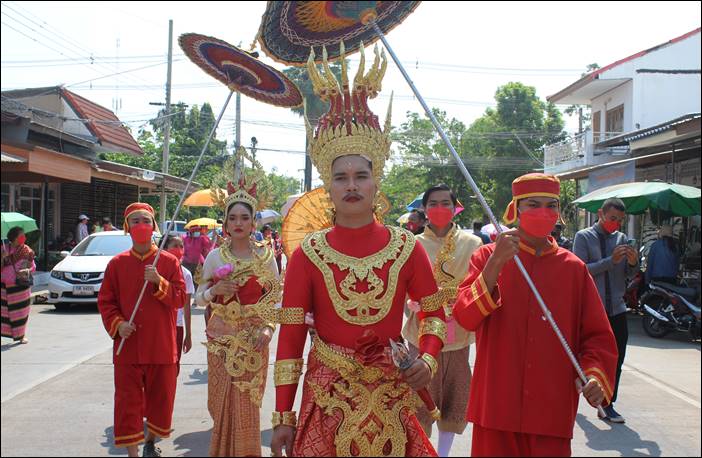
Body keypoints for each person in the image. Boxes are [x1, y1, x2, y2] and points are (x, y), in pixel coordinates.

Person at [270, 44, 446, 457]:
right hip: (328, 394)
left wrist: (429, 360)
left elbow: (435, 313)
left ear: (375, 182)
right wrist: (282, 416)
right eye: (341, 177)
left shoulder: (405, 247)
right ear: (328, 186)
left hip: (392, 393)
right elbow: (291, 338)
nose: (351, 185)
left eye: (361, 176)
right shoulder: (308, 254)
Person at [454, 173, 618, 457]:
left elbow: (598, 336)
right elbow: (465, 317)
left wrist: (594, 376)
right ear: (515, 209)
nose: (543, 212)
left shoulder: (573, 268)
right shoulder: (487, 258)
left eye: (550, 205)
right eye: (533, 204)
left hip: (551, 409)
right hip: (496, 408)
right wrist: (495, 264)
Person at [195, 177, 280, 456]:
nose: (239, 223)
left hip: (253, 340)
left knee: (247, 402)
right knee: (220, 403)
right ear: (226, 223)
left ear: (254, 222)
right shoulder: (215, 257)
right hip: (221, 337)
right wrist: (215, 290)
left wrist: (268, 329)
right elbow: (198, 297)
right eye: (233, 218)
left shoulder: (266, 257)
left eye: (245, 217)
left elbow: (274, 298)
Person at [97, 203, 186, 457]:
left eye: (145, 220)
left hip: (160, 344)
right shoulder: (117, 264)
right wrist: (118, 324)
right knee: (128, 403)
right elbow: (106, 301)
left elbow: (179, 299)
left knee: (161, 399)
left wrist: (159, 281)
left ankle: (150, 442)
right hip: (129, 346)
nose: (140, 226)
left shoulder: (168, 262)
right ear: (127, 227)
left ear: (154, 226)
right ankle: (133, 453)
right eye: (134, 221)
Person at [402, 184, 482, 457]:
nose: (439, 208)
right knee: (419, 399)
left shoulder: (473, 244)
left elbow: (479, 285)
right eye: (433, 203)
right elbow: (401, 287)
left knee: (454, 400)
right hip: (420, 333)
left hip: (458, 335)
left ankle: (444, 453)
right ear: (424, 209)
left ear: (455, 206)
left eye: (445, 203)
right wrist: (409, 303)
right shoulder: (412, 245)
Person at [573, 198, 638, 424]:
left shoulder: (622, 239)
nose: (616, 224)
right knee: (577, 357)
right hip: (591, 310)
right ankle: (572, 392)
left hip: (617, 308)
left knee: (616, 358)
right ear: (600, 214)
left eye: (620, 220)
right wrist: (611, 261)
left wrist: (632, 263)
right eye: (613, 219)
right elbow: (581, 271)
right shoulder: (583, 237)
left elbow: (629, 275)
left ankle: (609, 403)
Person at [163, 233, 194, 374]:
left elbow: (187, 307)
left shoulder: (186, 274)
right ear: (164, 247)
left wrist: (188, 335)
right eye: (174, 246)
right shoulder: (155, 271)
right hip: (159, 327)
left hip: (177, 326)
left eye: (181, 246)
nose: (179, 249)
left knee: (173, 368)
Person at [1, 227, 36, 344]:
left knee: (21, 311)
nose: (24, 238)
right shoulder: (4, 249)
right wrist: (2, 257)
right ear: (14, 238)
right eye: (21, 236)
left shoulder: (27, 251)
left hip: (21, 286)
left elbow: (33, 267)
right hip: (5, 286)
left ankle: (21, 336)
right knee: (3, 312)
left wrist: (27, 270)